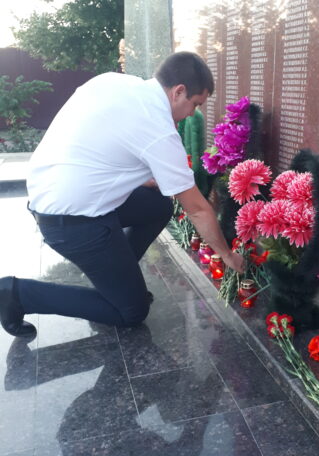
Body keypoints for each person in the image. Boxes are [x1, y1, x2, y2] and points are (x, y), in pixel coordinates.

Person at [0, 51, 244, 338]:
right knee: (131, 312)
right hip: (72, 224)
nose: (193, 114)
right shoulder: (159, 129)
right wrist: (227, 255)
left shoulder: (112, 82)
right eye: (195, 104)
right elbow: (198, 209)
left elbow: (100, 148)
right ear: (178, 91)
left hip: (51, 196)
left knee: (158, 206)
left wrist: (145, 178)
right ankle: (16, 294)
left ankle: (116, 277)